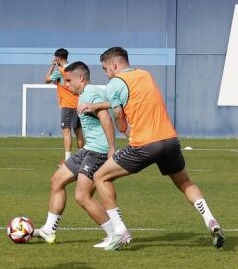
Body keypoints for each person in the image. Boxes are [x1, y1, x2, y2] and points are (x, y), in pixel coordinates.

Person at [77, 47, 225, 250]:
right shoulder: (145, 75)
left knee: (101, 177)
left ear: (114, 65)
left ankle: (120, 232)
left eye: (105, 68)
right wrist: (98, 106)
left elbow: (120, 121)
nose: (105, 73)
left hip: (144, 144)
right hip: (170, 140)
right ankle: (211, 220)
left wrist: (123, 128)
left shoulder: (113, 85)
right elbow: (132, 99)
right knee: (185, 182)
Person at [34, 61, 119, 248]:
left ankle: (115, 234)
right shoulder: (82, 95)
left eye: (69, 80)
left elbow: (105, 118)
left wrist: (111, 148)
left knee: (82, 196)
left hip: (98, 152)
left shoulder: (90, 93)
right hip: (88, 150)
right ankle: (49, 229)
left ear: (81, 78)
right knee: (57, 180)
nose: (66, 84)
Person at [45, 48, 84, 166]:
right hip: (78, 104)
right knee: (78, 132)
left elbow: (46, 79)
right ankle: (83, 158)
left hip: (68, 105)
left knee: (66, 131)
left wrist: (52, 66)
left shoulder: (60, 70)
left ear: (57, 58)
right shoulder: (74, 70)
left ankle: (67, 161)